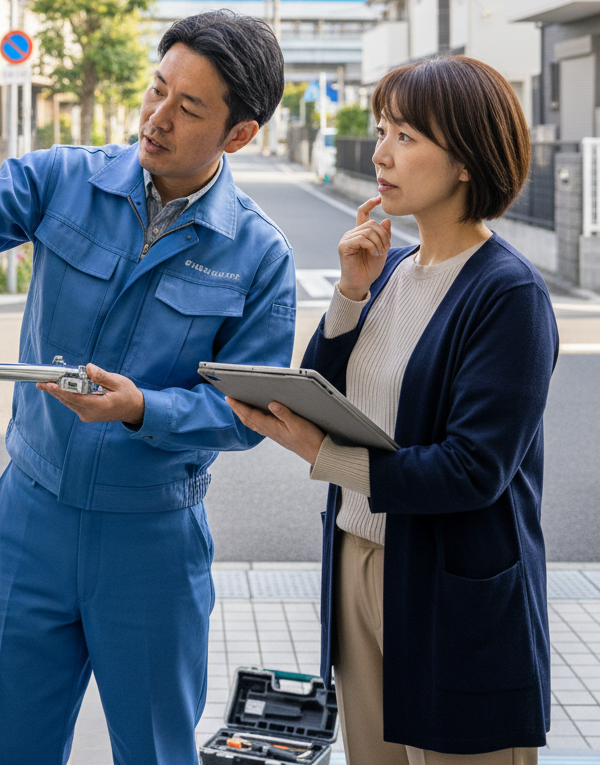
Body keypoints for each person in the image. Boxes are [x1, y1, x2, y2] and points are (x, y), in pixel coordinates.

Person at [0, 10, 297, 765]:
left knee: (155, 749)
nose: (157, 117)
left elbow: (248, 412)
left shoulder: (257, 253)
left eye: (189, 108)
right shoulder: (68, 179)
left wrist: (142, 408)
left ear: (238, 134)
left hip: (152, 539)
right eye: (156, 90)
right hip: (32, 520)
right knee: (11, 746)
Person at [229, 56, 558, 764]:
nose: (380, 153)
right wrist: (349, 292)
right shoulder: (392, 272)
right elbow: (321, 392)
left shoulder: (508, 295)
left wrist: (327, 458)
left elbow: (474, 470)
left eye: (405, 136)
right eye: (383, 130)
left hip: (451, 585)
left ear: (467, 158)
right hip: (357, 559)